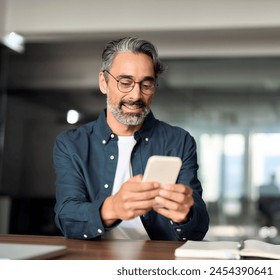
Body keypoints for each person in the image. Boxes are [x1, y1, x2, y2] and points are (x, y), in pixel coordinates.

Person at [53, 37, 209, 241]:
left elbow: (199, 227)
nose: (136, 95)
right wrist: (112, 208)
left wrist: (186, 215)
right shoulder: (71, 144)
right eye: (125, 83)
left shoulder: (179, 141)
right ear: (104, 82)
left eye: (147, 84)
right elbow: (66, 217)